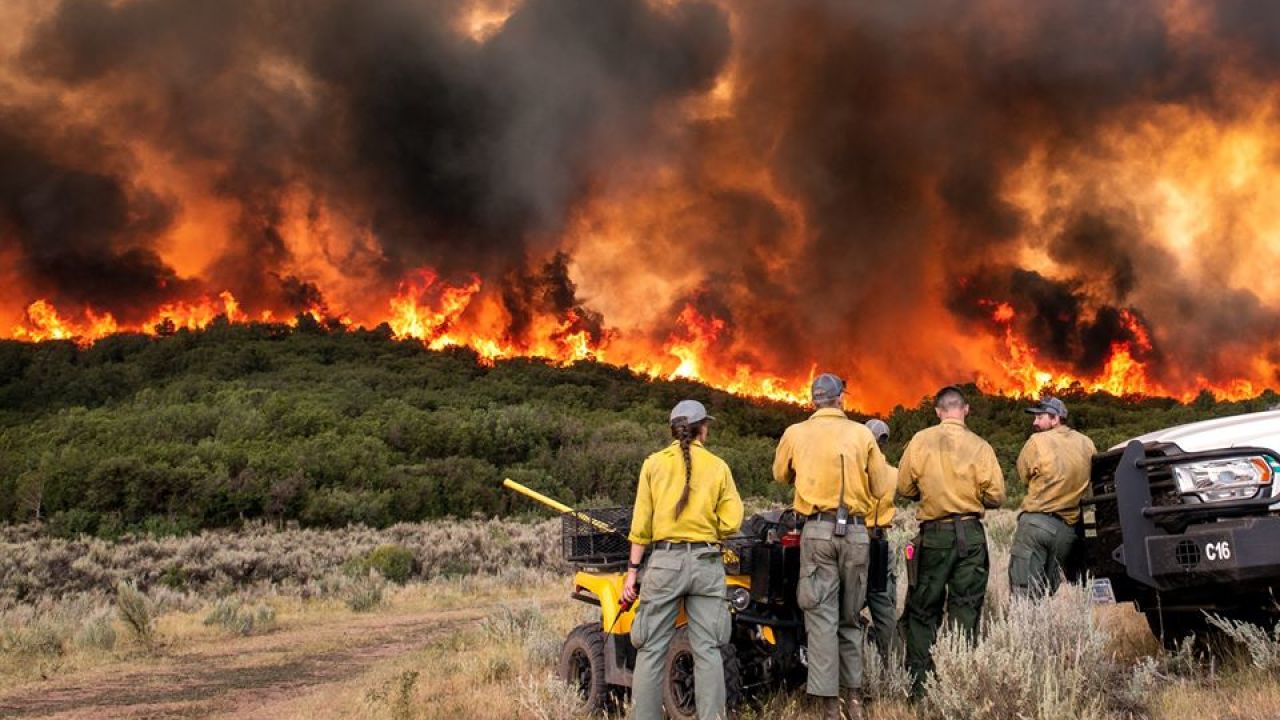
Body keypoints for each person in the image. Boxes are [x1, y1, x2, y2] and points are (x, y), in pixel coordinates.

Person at [773, 374, 895, 720]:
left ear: (814, 400)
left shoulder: (795, 433)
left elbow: (780, 474)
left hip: (817, 532)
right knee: (851, 618)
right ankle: (854, 700)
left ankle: (829, 706)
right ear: (841, 398)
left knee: (821, 619)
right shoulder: (862, 434)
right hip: (857, 534)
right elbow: (881, 484)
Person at [623, 399, 744, 720]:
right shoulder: (719, 467)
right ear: (703, 429)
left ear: (674, 431)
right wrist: (706, 530)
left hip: (664, 564)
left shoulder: (653, 465)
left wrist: (632, 573)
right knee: (708, 650)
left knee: (650, 650)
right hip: (706, 564)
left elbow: (641, 527)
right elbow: (732, 521)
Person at [896, 385, 1005, 695]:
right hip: (971, 534)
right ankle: (961, 686)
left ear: (938, 411)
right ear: (965, 409)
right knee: (966, 608)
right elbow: (997, 495)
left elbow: (904, 487)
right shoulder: (981, 446)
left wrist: (929, 492)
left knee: (922, 610)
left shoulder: (920, 441)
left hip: (934, 534)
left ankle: (920, 689)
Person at [1009, 396, 1097, 598]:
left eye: (1040, 417)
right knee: (1046, 591)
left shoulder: (1036, 441)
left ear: (1055, 418)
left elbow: (1024, 475)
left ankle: (1025, 629)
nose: (1035, 422)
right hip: (1068, 532)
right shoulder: (1087, 443)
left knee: (1024, 594)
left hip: (1036, 525)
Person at [862, 419, 899, 666]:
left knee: (847, 607)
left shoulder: (858, 473)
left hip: (856, 539)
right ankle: (894, 661)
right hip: (881, 541)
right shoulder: (894, 473)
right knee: (884, 606)